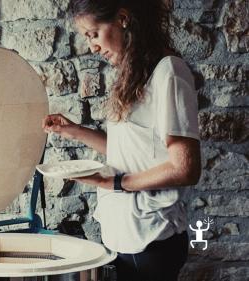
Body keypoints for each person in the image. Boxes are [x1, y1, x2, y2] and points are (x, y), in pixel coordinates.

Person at [42, 0, 201, 280]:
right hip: (125, 236)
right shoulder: (134, 74)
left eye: (93, 34)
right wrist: (74, 131)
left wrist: (115, 183)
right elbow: (128, 152)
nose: (92, 46)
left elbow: (185, 168)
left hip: (150, 238)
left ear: (123, 19)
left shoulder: (169, 73)